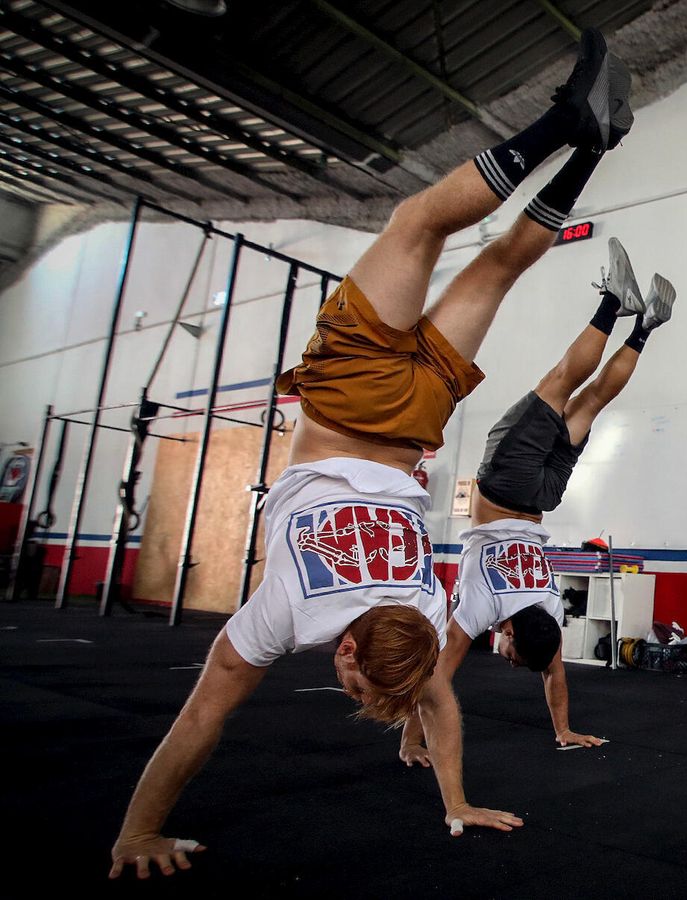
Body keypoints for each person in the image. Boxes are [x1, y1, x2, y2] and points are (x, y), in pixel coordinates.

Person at [108, 28, 634, 880]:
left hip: (421, 421)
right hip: (350, 400)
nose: (353, 694)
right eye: (355, 689)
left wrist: (457, 800)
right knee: (418, 224)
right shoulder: (289, 613)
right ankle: (562, 121)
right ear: (347, 652)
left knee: (497, 270)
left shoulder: (424, 617)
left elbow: (441, 704)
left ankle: (592, 148)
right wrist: (136, 833)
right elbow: (201, 718)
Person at [396, 237, 674, 764]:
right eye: (514, 655)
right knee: (562, 385)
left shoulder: (547, 610)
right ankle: (612, 301)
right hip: (508, 488)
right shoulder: (491, 612)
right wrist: (410, 739)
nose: (507, 660)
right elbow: (439, 676)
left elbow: (554, 673)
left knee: (588, 401)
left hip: (543, 498)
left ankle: (645, 326)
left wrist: (565, 728)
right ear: (509, 631)